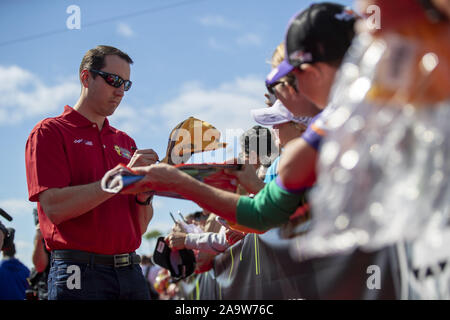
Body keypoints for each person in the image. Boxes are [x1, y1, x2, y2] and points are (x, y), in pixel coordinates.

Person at [121, 3, 357, 233]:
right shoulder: (383, 103)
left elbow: (261, 215)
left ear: (311, 74)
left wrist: (177, 182)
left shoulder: (313, 142)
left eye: (277, 84)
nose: (277, 97)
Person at [25, 45, 159, 300]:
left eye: (126, 85)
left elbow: (139, 227)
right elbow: (54, 208)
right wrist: (122, 178)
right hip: (78, 272)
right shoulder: (49, 132)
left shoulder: (126, 142)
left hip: (131, 272)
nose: (120, 91)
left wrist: (145, 192)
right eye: (114, 80)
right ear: (86, 77)